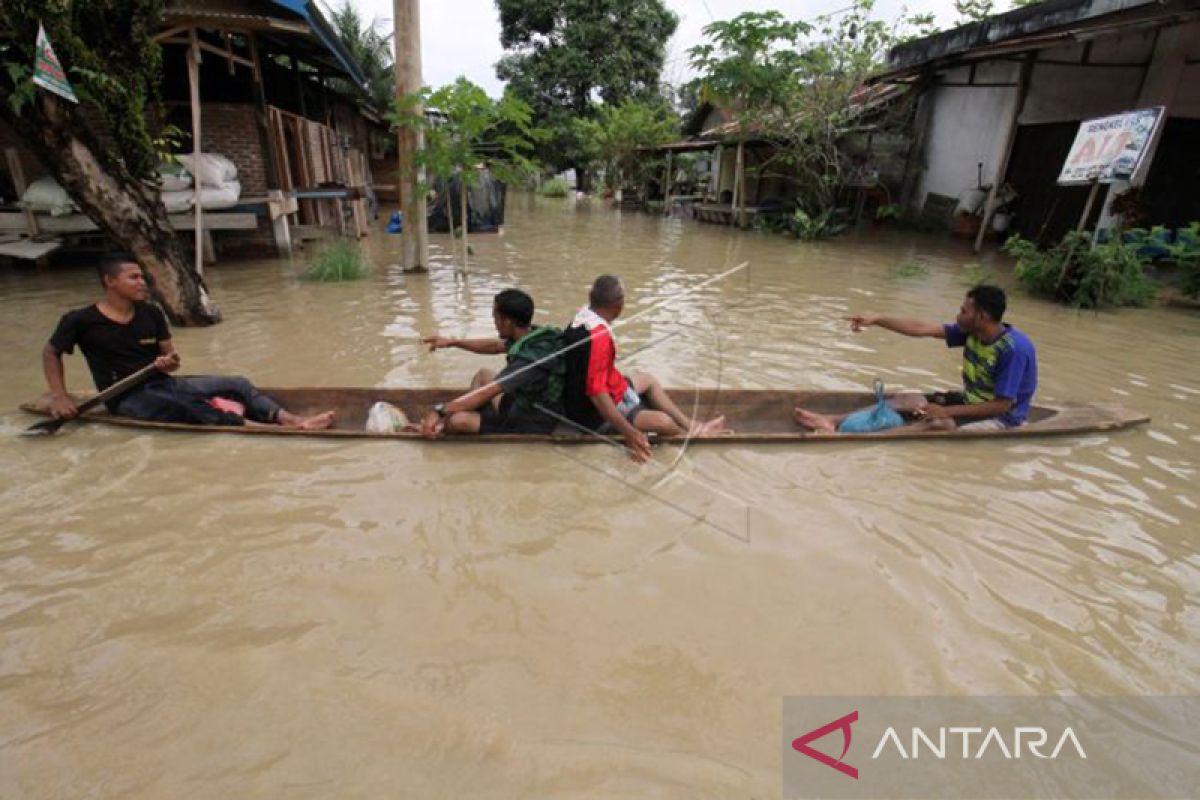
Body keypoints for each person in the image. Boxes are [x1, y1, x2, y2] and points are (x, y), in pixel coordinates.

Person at [43, 255, 334, 430]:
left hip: (162, 383)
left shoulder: (151, 313)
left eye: (142, 277)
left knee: (238, 383)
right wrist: (60, 396)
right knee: (188, 406)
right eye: (133, 278)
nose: (142, 282)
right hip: (125, 398)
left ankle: (291, 420)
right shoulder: (80, 320)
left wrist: (168, 363)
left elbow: (171, 361)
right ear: (110, 281)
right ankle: (261, 429)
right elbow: (51, 352)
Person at [793, 285, 1038, 433]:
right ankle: (833, 421)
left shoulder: (1013, 349)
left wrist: (945, 411)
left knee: (936, 425)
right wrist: (878, 319)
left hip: (1002, 419)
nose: (958, 314)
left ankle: (856, 437)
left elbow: (1002, 405)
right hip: (970, 401)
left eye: (964, 310)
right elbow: (921, 328)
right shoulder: (971, 332)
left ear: (982, 316)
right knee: (907, 398)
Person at [561, 275, 729, 462]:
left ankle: (691, 425)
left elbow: (593, 374)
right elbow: (598, 395)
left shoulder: (581, 316)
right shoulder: (598, 337)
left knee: (647, 380)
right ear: (619, 307)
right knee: (664, 423)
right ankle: (685, 435)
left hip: (602, 391)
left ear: (591, 297)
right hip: (592, 414)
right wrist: (629, 433)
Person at [420, 288, 565, 437]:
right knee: (483, 375)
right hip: (519, 404)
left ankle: (437, 430)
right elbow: (494, 346)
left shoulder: (529, 361)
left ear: (507, 322)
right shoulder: (530, 335)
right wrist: (453, 342)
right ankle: (468, 415)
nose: (494, 322)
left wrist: (438, 411)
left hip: (528, 422)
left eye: (495, 317)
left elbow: (488, 392)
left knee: (457, 421)